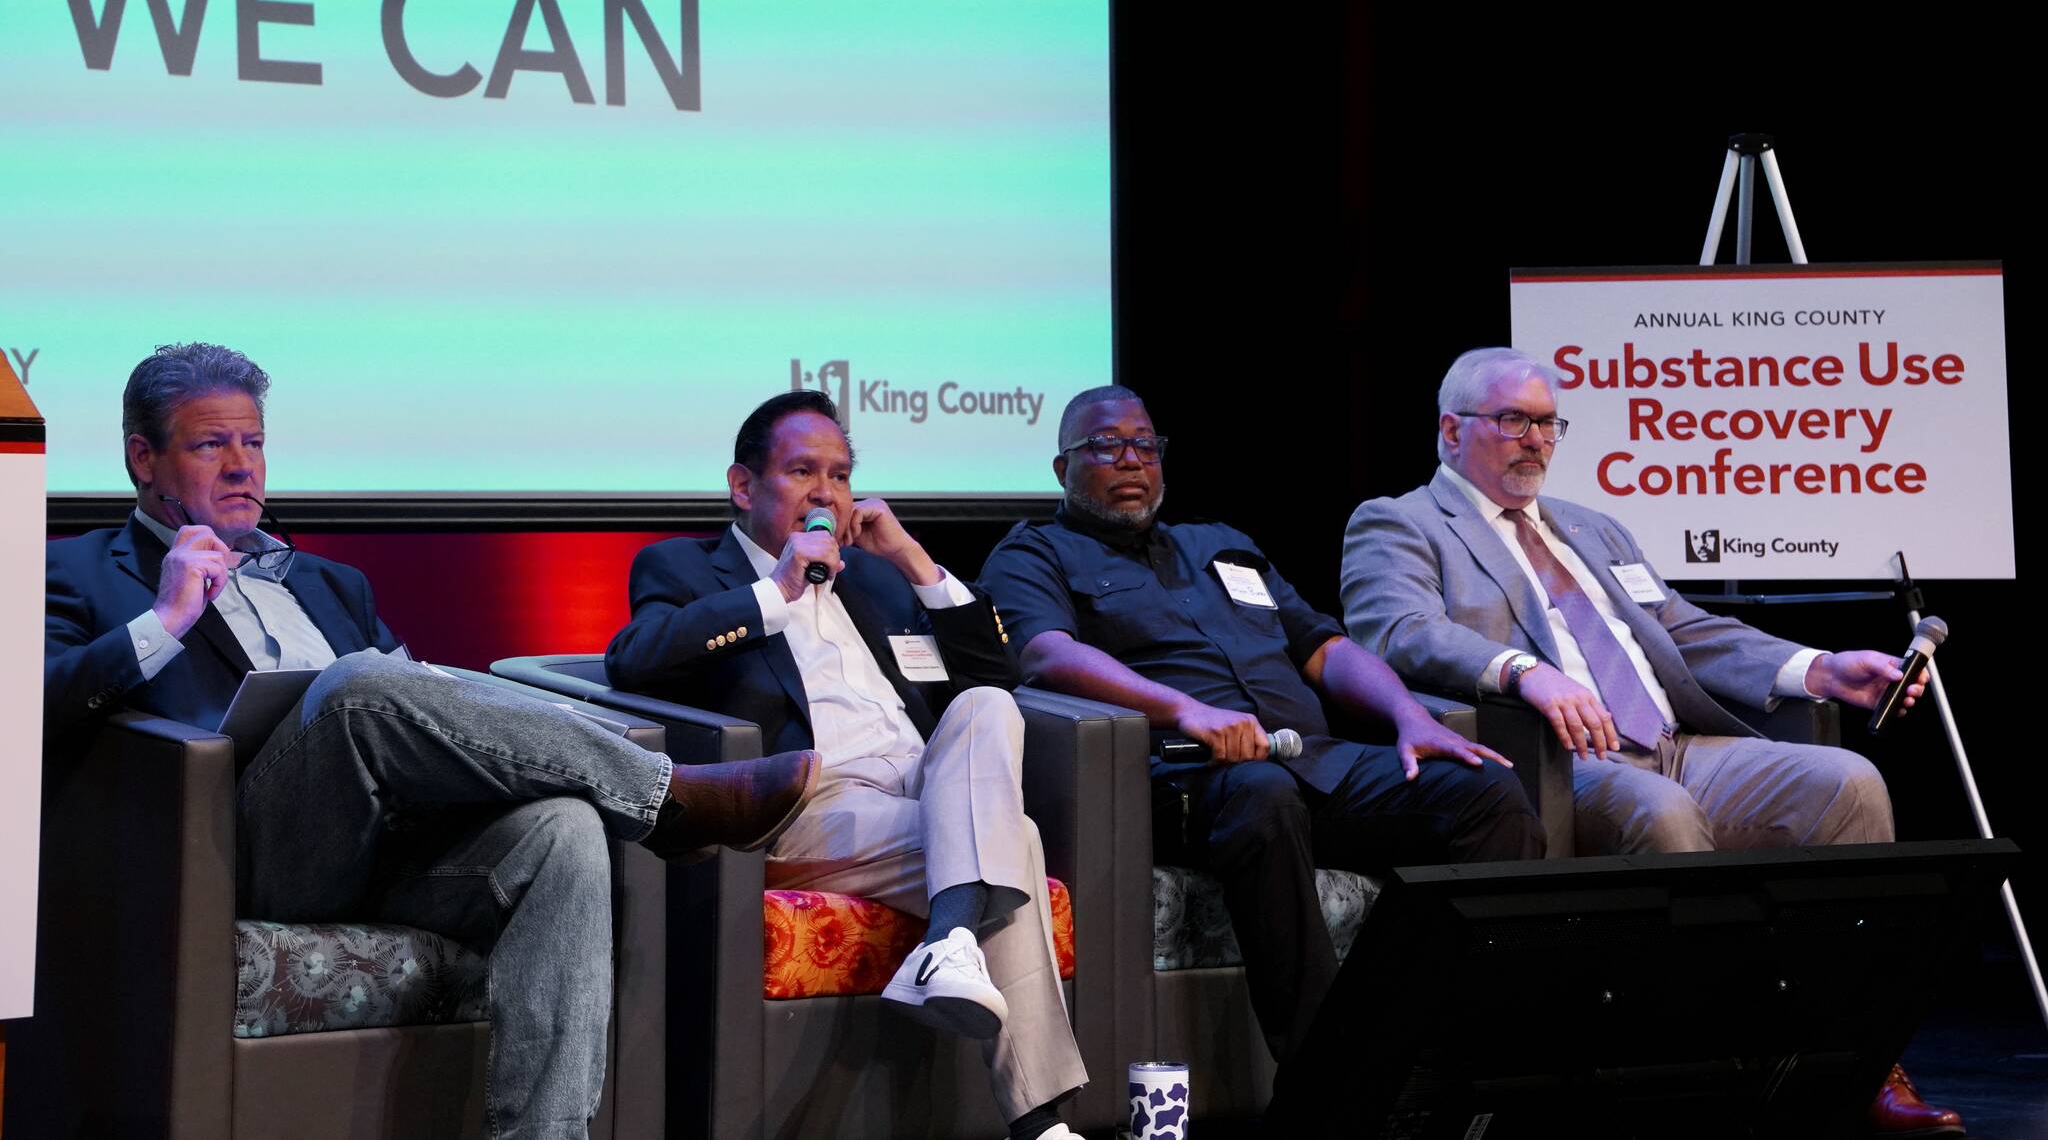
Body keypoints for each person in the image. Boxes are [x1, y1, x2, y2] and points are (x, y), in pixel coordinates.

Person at [44, 343, 821, 1140]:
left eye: (255, 443)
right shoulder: (80, 570)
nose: (243, 466)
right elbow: (35, 706)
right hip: (243, 851)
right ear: (144, 458)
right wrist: (164, 618)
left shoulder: (329, 582)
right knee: (356, 685)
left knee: (565, 832)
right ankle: (665, 797)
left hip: (390, 847)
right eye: (213, 445)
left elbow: (417, 715)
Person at [1341, 345, 1955, 1136]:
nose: (1535, 439)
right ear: (1451, 430)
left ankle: (1863, 1061)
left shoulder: (1592, 527)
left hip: (1673, 740)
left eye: (1548, 423)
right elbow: (1397, 631)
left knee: (1848, 782)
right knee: (1662, 814)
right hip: (1560, 761)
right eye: (1514, 420)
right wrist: (1523, 669)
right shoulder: (1400, 521)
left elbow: (1684, 631)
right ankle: (1696, 1076)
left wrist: (1820, 668)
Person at [978, 384, 1542, 1067]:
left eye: (1145, 444)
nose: (1131, 458)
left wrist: (1408, 715)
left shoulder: (1222, 545)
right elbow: (1045, 652)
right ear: (1063, 469)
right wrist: (1183, 708)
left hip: (1319, 764)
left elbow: (1326, 649)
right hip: (1186, 776)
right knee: (1262, 794)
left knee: (1486, 792)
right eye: (1106, 444)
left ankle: (1446, 1043)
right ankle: (1327, 1073)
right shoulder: (1036, 552)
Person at [604, 390, 1088, 1140]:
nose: (826, 492)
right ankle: (1039, 1119)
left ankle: (951, 946)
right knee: (1014, 839)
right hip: (815, 803)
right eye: (803, 471)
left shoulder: (878, 578)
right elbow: (635, 658)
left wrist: (913, 558)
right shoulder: (685, 567)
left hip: (930, 784)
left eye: (840, 474)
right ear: (743, 486)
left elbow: (991, 668)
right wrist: (777, 591)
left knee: (990, 707)